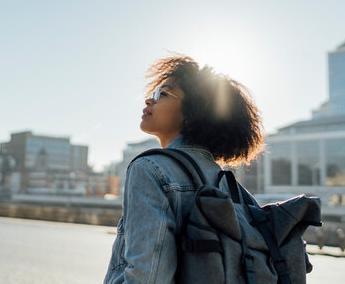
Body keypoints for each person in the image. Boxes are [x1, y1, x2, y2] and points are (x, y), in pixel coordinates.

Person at [103, 54, 265, 284]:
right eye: (153, 93)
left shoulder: (149, 168)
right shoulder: (232, 187)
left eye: (164, 94)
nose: (150, 101)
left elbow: (148, 276)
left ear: (193, 111)